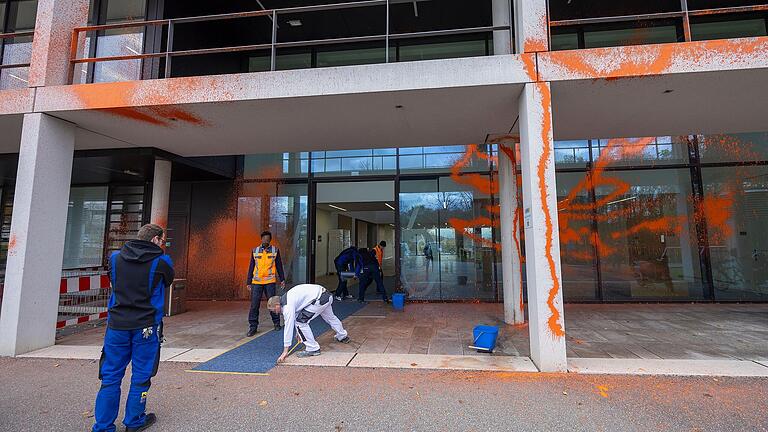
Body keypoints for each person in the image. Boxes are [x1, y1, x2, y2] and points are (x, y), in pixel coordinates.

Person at [92, 224, 174, 432]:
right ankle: (134, 420)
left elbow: (114, 283)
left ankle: (103, 426)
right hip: (145, 326)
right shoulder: (161, 261)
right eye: (162, 241)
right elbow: (167, 282)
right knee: (141, 374)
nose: (162, 245)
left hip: (117, 325)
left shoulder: (115, 258)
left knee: (110, 376)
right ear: (155, 239)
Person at [268, 284, 350, 361]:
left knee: (300, 322)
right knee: (331, 318)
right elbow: (297, 313)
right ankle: (342, 336)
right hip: (326, 294)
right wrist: (298, 333)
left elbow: (288, 327)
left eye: (274, 310)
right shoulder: (287, 297)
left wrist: (285, 351)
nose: (275, 312)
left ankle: (313, 348)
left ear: (277, 304)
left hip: (319, 299)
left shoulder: (287, 307)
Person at [246, 231, 286, 336]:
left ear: (270, 240)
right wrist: (248, 281)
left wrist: (282, 279)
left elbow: (279, 265)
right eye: (264, 238)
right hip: (257, 282)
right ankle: (253, 327)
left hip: (270, 281)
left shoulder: (275, 250)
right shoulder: (255, 250)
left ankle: (277, 323)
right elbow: (251, 266)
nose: (266, 240)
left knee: (273, 303)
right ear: (261, 239)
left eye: (268, 239)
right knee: (254, 305)